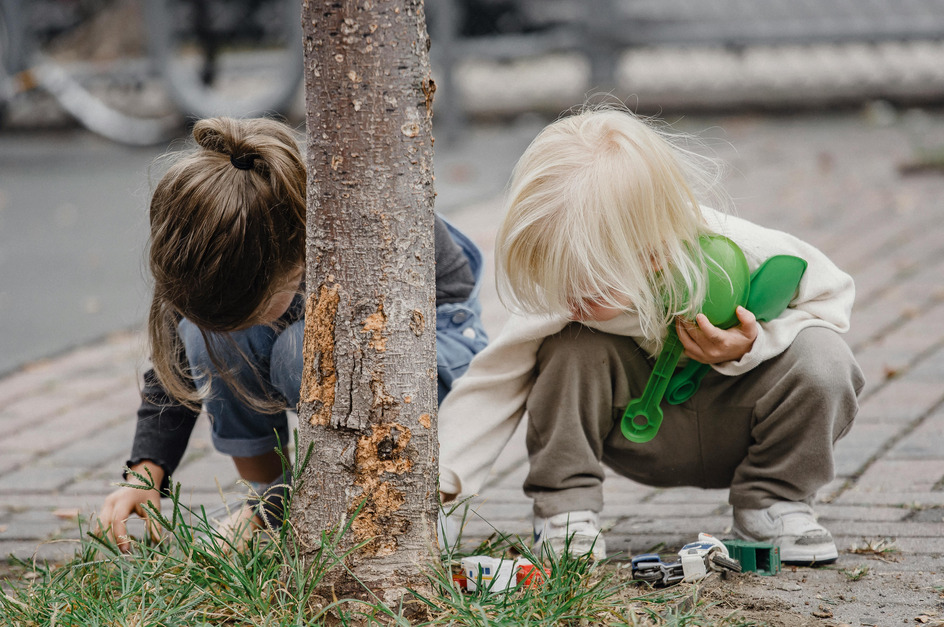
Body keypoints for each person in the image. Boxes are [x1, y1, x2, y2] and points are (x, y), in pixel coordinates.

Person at [437, 106, 864, 564]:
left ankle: (773, 504)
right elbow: (494, 382)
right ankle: (566, 513)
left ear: (654, 255)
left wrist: (755, 344)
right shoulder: (572, 296)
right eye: (557, 278)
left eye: (590, 283)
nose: (569, 297)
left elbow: (833, 300)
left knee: (825, 358)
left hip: (738, 422)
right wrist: (440, 479)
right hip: (639, 435)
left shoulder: (743, 250)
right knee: (568, 348)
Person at [97, 117, 488, 552]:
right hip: (326, 342)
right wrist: (145, 471)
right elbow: (174, 368)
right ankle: (270, 498)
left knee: (299, 350)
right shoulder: (214, 246)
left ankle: (381, 502)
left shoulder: (358, 224)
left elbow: (403, 368)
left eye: (252, 311)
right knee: (211, 338)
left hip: (430, 347)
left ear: (295, 266)